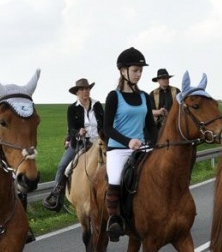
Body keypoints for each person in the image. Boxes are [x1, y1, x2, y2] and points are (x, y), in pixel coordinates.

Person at [103, 47, 155, 241]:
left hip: (142, 147)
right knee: (115, 180)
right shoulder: (113, 97)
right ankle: (114, 219)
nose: (139, 74)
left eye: (141, 71)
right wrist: (128, 141)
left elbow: (150, 126)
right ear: (123, 71)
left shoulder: (145, 97)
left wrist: (156, 144)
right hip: (118, 149)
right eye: (135, 70)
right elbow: (107, 128)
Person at [42, 78, 105, 211]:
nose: (85, 92)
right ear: (77, 93)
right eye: (82, 89)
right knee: (63, 166)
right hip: (81, 143)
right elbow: (71, 128)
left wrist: (103, 135)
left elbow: (104, 124)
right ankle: (57, 194)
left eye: (87, 89)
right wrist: (78, 132)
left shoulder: (97, 105)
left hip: (99, 142)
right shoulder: (72, 109)